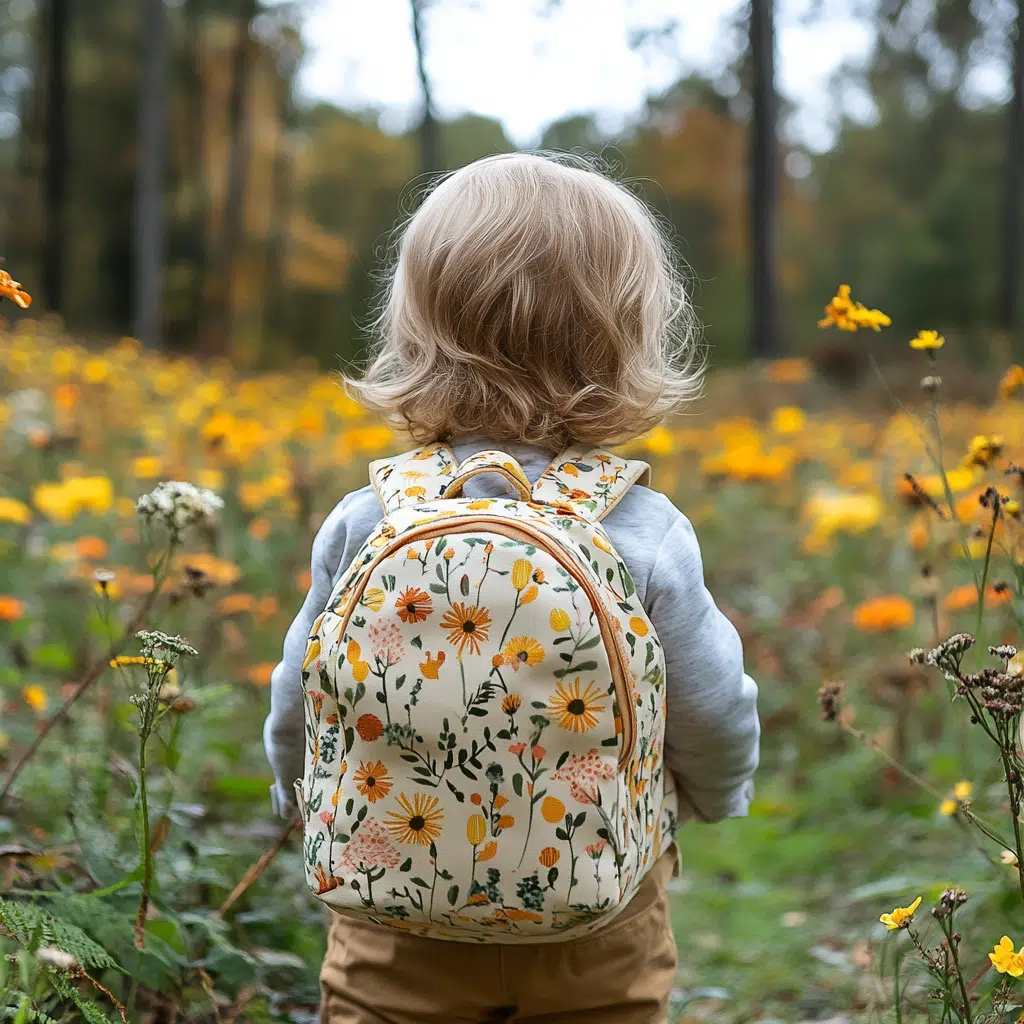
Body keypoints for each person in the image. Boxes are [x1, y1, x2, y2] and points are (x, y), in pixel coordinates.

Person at [264, 152, 760, 1024]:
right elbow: (712, 706)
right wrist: (718, 796)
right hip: (597, 914)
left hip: (390, 913)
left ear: (414, 329)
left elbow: (303, 689)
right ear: (631, 335)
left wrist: (296, 792)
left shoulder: (367, 518)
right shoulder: (640, 529)